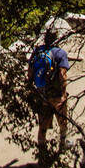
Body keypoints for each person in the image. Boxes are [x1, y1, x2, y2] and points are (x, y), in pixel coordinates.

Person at [28, 27, 69, 156]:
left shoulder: (37, 51)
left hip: (41, 94)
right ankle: (62, 145)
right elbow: (62, 75)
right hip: (56, 95)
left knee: (43, 125)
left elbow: (30, 73)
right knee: (62, 122)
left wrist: (33, 88)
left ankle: (42, 150)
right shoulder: (60, 53)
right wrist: (63, 94)